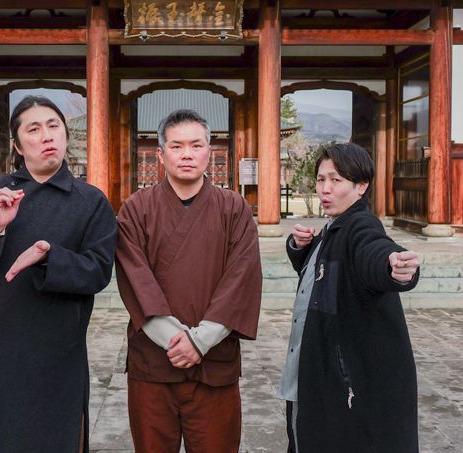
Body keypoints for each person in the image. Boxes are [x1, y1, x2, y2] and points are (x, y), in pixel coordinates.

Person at [0, 95, 117, 453]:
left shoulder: (91, 201)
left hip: (56, 354)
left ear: (65, 135)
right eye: (33, 129)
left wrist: (50, 258)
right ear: (18, 146)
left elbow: (98, 271)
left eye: (54, 126)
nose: (47, 135)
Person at [115, 109, 262, 453]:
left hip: (214, 361)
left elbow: (241, 278)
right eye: (176, 146)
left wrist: (200, 341)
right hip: (153, 363)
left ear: (209, 152)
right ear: (160, 154)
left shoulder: (234, 208)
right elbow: (135, 279)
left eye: (196, 145)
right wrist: (177, 340)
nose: (187, 154)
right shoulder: (136, 208)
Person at [277, 143, 420, 452]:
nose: (325, 189)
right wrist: (300, 248)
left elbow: (373, 249)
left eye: (336, 180)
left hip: (343, 383)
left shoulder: (359, 226)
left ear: (361, 186)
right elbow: (328, 278)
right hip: (317, 373)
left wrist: (393, 267)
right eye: (320, 179)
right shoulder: (334, 229)